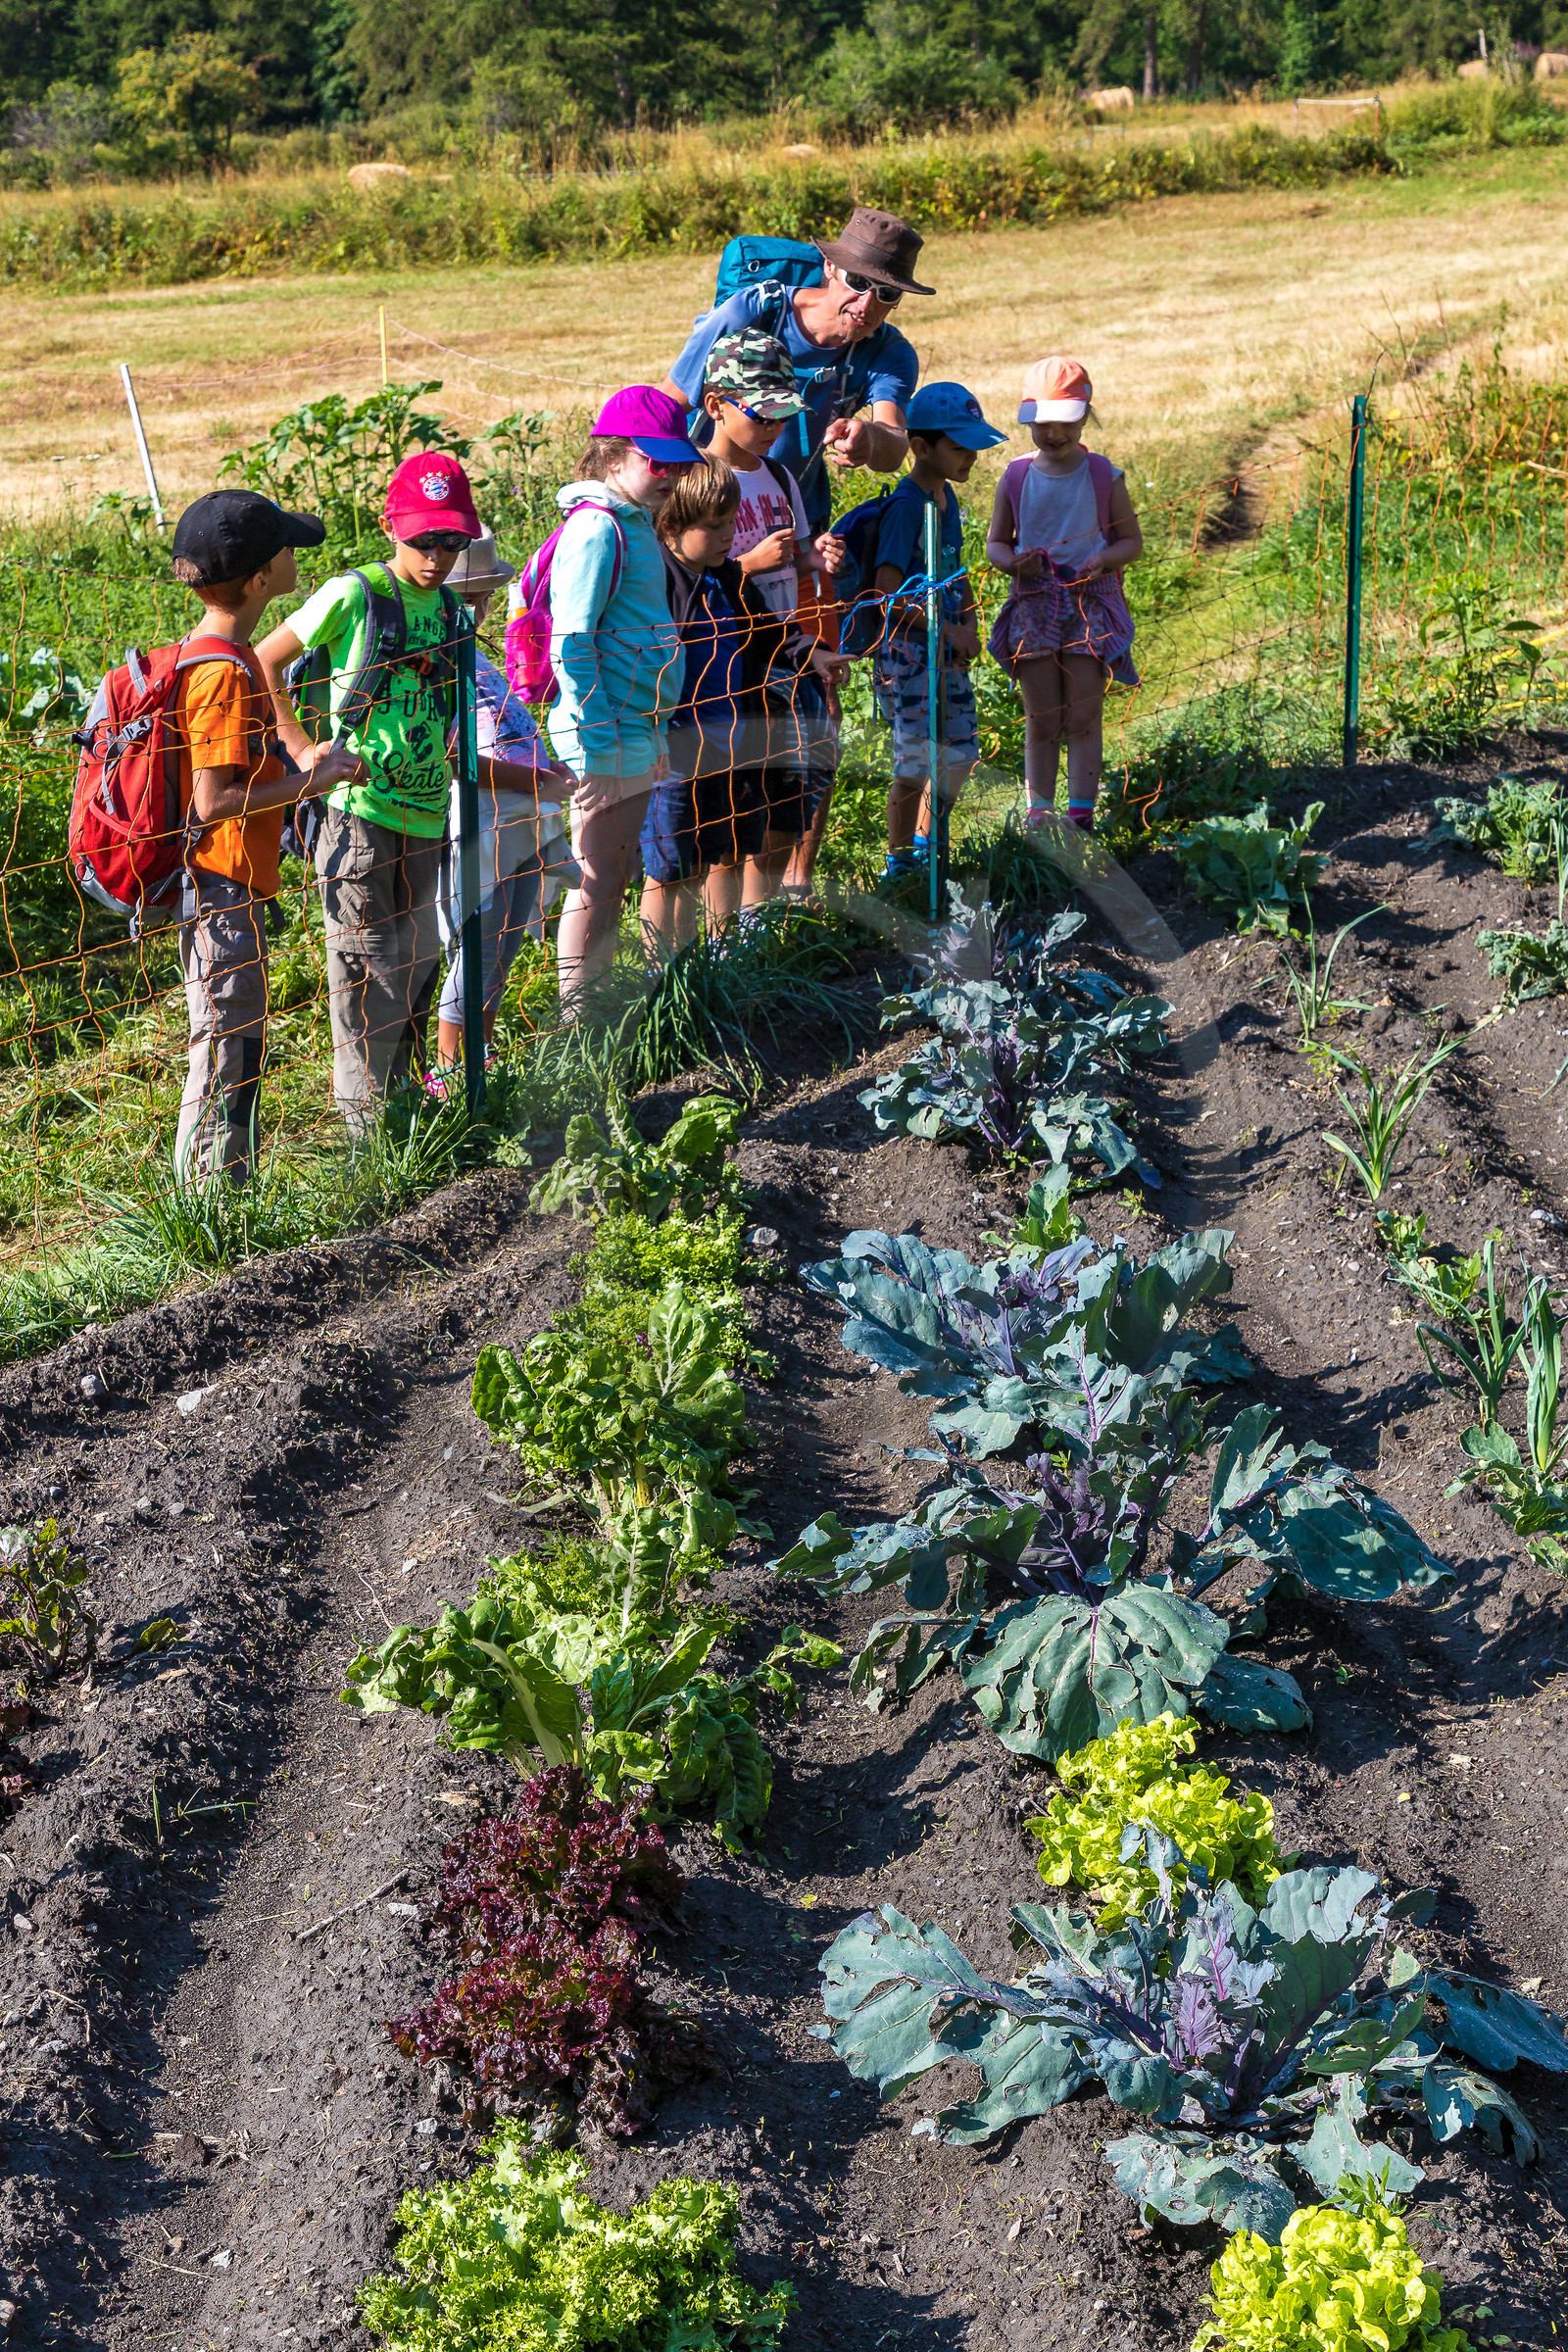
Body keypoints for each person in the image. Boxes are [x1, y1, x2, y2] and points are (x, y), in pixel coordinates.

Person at [257, 454, 482, 1127]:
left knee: (417, 965)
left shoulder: (452, 613)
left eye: (453, 541)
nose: (439, 556)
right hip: (359, 816)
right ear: (391, 528)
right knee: (365, 971)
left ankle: (409, 1115)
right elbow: (265, 658)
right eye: (424, 540)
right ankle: (367, 1140)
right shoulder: (356, 594)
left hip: (426, 816)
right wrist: (301, 750)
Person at [168, 489, 358, 1183]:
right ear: (258, 580)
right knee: (227, 1047)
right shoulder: (221, 672)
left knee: (236, 1042)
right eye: (283, 549)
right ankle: (211, 1203)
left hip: (232, 884)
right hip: (218, 888)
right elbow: (214, 799)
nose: (292, 555)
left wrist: (300, 755)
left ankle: (223, 1190)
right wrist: (314, 783)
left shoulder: (233, 651)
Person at [546, 386, 694, 1014]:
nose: (670, 475)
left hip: (634, 726)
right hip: (604, 733)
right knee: (597, 877)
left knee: (614, 871)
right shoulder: (597, 530)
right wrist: (602, 749)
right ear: (612, 455)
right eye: (655, 461)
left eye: (678, 462)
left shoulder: (630, 521)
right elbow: (572, 645)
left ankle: (597, 1001)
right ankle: (581, 1017)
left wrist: (652, 735)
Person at [691, 328, 845, 915]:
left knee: (787, 806)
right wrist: (748, 564)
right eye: (763, 411)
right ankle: (723, 947)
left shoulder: (779, 476)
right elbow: (686, 579)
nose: (777, 425)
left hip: (789, 656)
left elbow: (799, 551)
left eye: (786, 411)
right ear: (715, 405)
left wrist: (816, 554)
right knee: (733, 820)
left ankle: (762, 928)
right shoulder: (697, 480)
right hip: (731, 669)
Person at [661, 207, 930, 543]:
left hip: (789, 521)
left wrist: (871, 437)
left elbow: (892, 446)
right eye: (858, 282)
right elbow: (668, 404)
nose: (866, 304)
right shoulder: (754, 311)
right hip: (704, 516)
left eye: (886, 293)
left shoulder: (889, 353)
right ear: (830, 267)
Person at [430, 527, 578, 1084]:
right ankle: (450, 1070)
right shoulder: (438, 668)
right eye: (461, 597)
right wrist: (536, 781)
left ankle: (482, 1050)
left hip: (519, 824)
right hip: (479, 829)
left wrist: (545, 774)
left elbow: (509, 735)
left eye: (479, 597)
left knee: (505, 944)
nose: (472, 609)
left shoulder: (482, 664)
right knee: (477, 945)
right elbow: (456, 758)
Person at [985, 358, 1143, 831]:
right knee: (1041, 716)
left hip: (1088, 606)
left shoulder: (1102, 475)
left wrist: (1107, 559)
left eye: (1065, 423)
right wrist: (1011, 563)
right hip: (1033, 605)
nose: (1053, 434)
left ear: (1085, 414)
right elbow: (997, 541)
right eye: (1042, 424)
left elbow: (1130, 541)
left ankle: (1081, 815)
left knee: (1083, 713)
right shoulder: (1015, 476)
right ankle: (1039, 814)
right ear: (1029, 419)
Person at [868, 381, 1006, 876]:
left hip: (944, 648)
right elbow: (886, 594)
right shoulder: (908, 505)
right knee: (915, 760)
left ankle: (932, 842)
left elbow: (954, 567)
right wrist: (948, 631)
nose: (971, 456)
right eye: (959, 446)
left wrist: (969, 619)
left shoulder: (944, 496)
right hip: (907, 655)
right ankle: (901, 861)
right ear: (921, 447)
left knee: (961, 752)